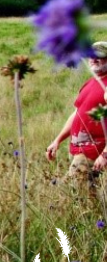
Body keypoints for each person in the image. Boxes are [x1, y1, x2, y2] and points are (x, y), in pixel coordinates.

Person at [46, 41, 107, 179]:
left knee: (78, 196)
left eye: (100, 56)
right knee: (84, 197)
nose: (94, 59)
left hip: (94, 152)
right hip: (78, 151)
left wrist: (104, 155)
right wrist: (58, 140)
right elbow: (77, 113)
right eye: (91, 56)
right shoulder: (91, 82)